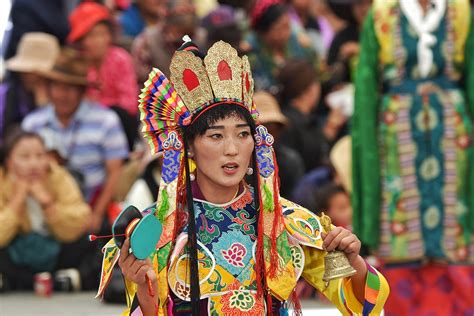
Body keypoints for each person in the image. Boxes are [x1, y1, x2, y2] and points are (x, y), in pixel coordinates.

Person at [96, 39, 389, 315]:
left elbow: (364, 307)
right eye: (215, 136)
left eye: (243, 134)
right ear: (189, 147)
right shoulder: (158, 232)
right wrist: (146, 298)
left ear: (257, 141)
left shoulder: (286, 222)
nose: (232, 149)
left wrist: (355, 265)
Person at [352, 0, 474, 314]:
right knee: (400, 216)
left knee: (456, 221)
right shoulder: (381, 15)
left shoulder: (460, 12)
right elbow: (366, 89)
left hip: (453, 137)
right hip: (397, 136)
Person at [22, 49, 129, 234]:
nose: (63, 95)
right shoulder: (32, 124)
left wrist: (97, 213)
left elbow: (115, 171)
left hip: (92, 210)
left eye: (70, 88)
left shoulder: (106, 121)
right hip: (43, 215)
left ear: (81, 91)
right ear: (48, 88)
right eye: (57, 87)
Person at [0, 130, 97, 291]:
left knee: (91, 242)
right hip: (16, 252)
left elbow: (80, 221)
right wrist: (17, 201)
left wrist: (48, 204)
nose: (34, 163)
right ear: (10, 162)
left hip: (55, 249)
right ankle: (59, 280)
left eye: (40, 156)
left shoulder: (59, 176)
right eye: (25, 157)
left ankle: (19, 282)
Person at [67, 2, 139, 118]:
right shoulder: (76, 64)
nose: (98, 41)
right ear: (81, 41)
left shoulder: (121, 59)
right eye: (91, 36)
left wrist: (101, 107)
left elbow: (130, 104)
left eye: (102, 34)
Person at [277, 59, 346, 172]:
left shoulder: (293, 116)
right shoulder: (293, 124)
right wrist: (330, 129)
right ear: (310, 89)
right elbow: (313, 162)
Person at [245, 0, 319, 93]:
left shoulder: (297, 41)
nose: (286, 33)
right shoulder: (251, 54)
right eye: (279, 29)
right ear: (262, 33)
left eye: (287, 26)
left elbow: (318, 71)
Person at [1, 32, 60, 144]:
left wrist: (44, 105)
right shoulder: (5, 95)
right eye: (28, 71)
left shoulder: (61, 100)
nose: (32, 76)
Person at [253, 91, 305, 198]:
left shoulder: (289, 162)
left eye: (273, 128)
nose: (267, 133)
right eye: (262, 127)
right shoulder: (238, 162)